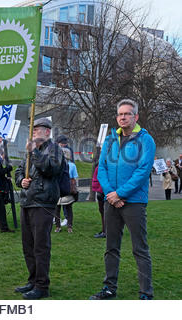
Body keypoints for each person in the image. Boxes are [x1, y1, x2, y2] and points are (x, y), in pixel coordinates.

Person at [90, 99, 155, 300]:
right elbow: (102, 169)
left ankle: (146, 292)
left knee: (140, 248)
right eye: (120, 114)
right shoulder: (110, 140)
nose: (123, 117)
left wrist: (121, 194)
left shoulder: (146, 140)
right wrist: (112, 194)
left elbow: (143, 171)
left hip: (133, 202)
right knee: (111, 247)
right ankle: (109, 288)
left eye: (127, 114)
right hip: (112, 201)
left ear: (135, 117)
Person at [14, 117, 63, 300]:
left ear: (47, 131)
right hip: (27, 201)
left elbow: (50, 169)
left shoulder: (55, 150)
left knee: (40, 246)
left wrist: (34, 152)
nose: (33, 132)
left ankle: (42, 285)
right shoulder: (30, 152)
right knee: (28, 246)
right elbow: (19, 171)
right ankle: (33, 280)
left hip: (43, 203)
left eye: (37, 129)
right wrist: (21, 181)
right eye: (32, 129)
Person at [54, 148, 78, 233]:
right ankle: (69, 226)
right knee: (68, 209)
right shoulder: (72, 165)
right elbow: (74, 178)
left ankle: (58, 226)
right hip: (67, 188)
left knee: (57, 209)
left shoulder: (56, 165)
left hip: (61, 188)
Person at [91, 162, 106, 238]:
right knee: (103, 212)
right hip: (101, 191)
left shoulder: (102, 167)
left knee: (104, 212)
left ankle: (105, 231)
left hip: (102, 192)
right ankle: (104, 230)